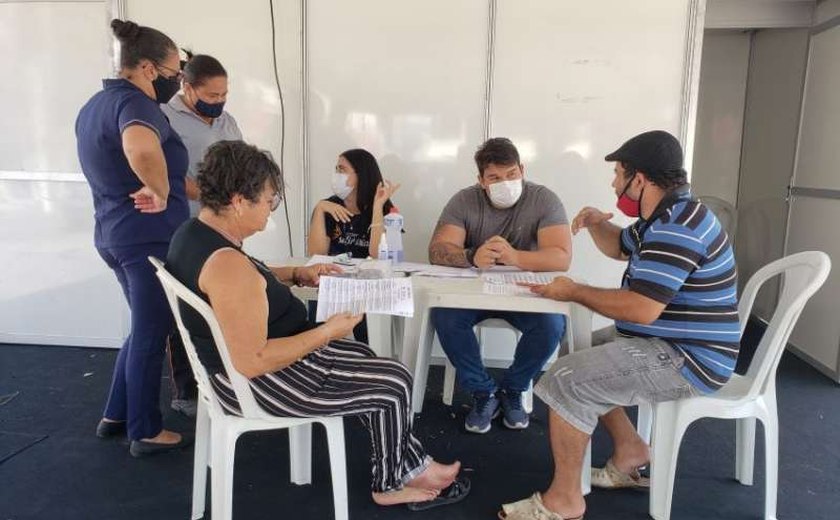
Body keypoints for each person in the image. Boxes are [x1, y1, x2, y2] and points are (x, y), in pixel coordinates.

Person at [166, 140, 469, 509]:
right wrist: (327, 331)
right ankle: (388, 483)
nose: (270, 211)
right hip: (257, 382)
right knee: (394, 381)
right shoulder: (226, 265)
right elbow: (253, 359)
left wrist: (294, 273)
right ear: (238, 201)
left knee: (367, 358)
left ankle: (410, 465)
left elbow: (249, 278)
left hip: (239, 370)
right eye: (268, 201)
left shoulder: (195, 235)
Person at [499, 131, 740, 519]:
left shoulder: (677, 226)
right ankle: (630, 451)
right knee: (579, 348)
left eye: (618, 174)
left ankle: (564, 502)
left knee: (567, 377)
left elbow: (641, 309)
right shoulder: (664, 215)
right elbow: (619, 246)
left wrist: (574, 290)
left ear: (640, 179)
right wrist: (596, 223)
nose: (614, 183)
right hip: (674, 342)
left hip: (688, 358)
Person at [76, 19, 191, 457]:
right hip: (145, 238)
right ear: (146, 68)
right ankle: (145, 430)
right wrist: (160, 192)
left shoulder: (95, 104)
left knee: (142, 326)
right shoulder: (137, 106)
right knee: (151, 332)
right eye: (174, 72)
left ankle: (116, 413)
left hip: (113, 233)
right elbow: (141, 149)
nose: (177, 80)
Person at [428, 137, 572, 434]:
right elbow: (438, 250)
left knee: (552, 325)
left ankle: (513, 389)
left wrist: (515, 257)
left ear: (522, 169)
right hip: (474, 292)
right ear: (481, 180)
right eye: (494, 177)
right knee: (444, 315)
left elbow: (561, 257)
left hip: (525, 292)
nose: (505, 182)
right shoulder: (463, 200)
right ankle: (483, 392)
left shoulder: (544, 200)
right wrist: (471, 256)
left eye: (511, 174)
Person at [160, 52, 243, 418]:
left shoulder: (227, 122)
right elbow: (162, 175)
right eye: (211, 96)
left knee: (225, 307)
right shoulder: (164, 118)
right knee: (187, 310)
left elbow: (243, 163)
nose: (219, 102)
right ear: (187, 87)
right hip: (184, 227)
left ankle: (227, 381)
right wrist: (209, 194)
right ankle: (187, 391)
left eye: (224, 94)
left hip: (227, 228)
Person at [307, 148, 400, 342]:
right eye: (336, 169)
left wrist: (376, 207)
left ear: (361, 175)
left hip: (368, 287)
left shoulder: (385, 209)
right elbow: (316, 255)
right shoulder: (329, 206)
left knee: (369, 336)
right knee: (320, 323)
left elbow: (377, 255)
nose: (336, 175)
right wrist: (320, 208)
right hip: (334, 284)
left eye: (342, 170)